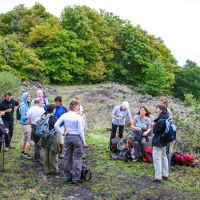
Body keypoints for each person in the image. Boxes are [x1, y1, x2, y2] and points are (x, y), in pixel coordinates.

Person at [54, 101, 87, 184]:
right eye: (78, 107)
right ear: (75, 107)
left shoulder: (65, 115)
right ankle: (76, 178)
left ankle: (67, 177)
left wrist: (62, 133)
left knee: (67, 157)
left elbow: (56, 125)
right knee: (77, 158)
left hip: (68, 136)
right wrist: (84, 141)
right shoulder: (77, 117)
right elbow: (80, 131)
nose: (79, 108)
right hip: (77, 138)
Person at [38, 104, 60, 175]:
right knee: (53, 153)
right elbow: (57, 130)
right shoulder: (53, 119)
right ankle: (53, 170)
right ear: (53, 110)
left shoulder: (43, 116)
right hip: (51, 137)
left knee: (45, 154)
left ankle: (46, 170)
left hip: (43, 137)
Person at [152, 104, 169, 183]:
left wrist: (154, 125)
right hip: (165, 141)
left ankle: (158, 177)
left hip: (158, 141)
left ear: (161, 110)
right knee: (164, 157)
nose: (156, 110)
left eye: (157, 109)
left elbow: (154, 131)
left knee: (157, 159)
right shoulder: (168, 118)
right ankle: (165, 175)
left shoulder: (160, 120)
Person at [27, 97, 45, 165]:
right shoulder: (41, 110)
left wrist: (32, 124)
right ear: (39, 102)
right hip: (40, 128)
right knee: (38, 145)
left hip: (33, 127)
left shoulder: (30, 109)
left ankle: (37, 157)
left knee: (36, 144)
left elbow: (29, 121)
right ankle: (37, 159)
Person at [19, 92, 32, 159]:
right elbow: (23, 118)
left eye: (29, 96)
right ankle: (26, 154)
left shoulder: (27, 104)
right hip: (24, 124)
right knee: (29, 139)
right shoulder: (23, 106)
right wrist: (29, 115)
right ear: (24, 97)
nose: (29, 97)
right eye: (28, 96)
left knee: (25, 138)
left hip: (26, 124)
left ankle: (23, 152)